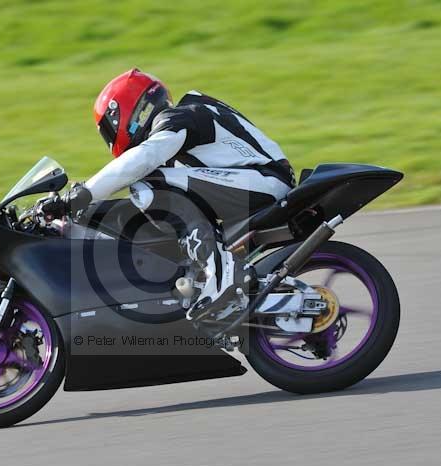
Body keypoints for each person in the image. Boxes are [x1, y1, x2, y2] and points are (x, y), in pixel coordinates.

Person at [40, 68, 295, 319]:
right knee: (154, 190)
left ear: (127, 112)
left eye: (108, 130)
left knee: (148, 181)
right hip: (256, 181)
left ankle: (219, 275)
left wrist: (84, 193)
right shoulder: (185, 118)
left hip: (264, 182)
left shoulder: (178, 118)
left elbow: (143, 159)